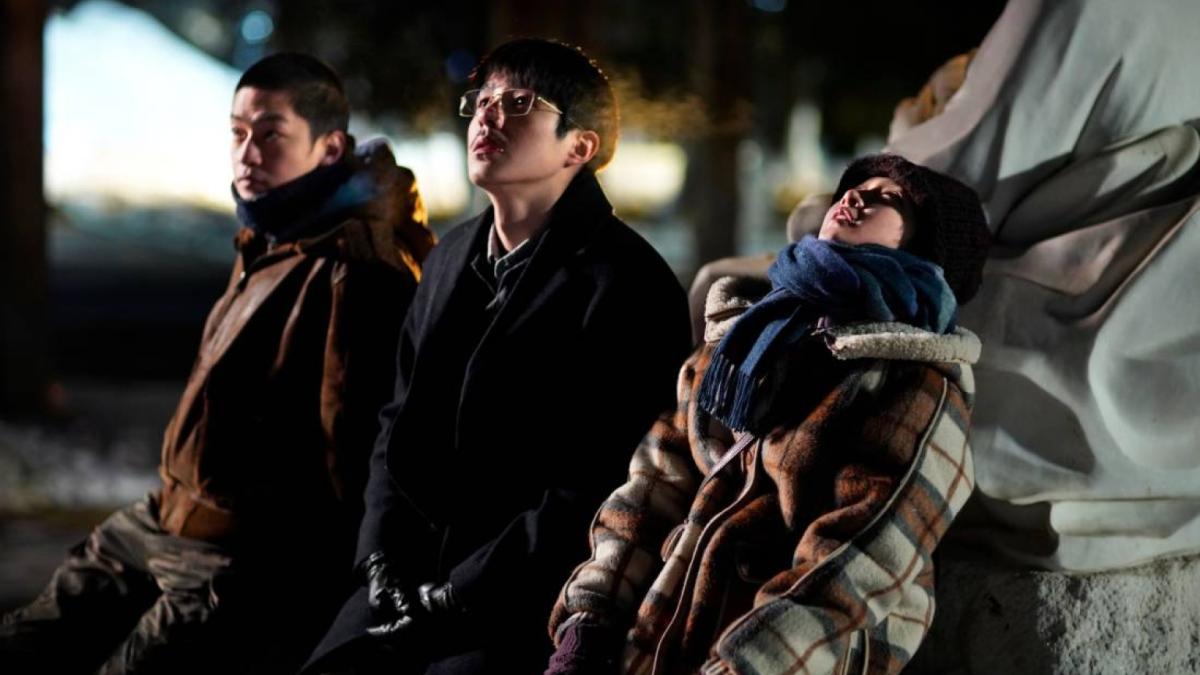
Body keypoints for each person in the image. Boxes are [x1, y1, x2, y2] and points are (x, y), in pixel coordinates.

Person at [0, 53, 434, 674]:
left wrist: (320, 600)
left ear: (330, 148)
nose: (247, 153)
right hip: (158, 521)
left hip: (231, 558)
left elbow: (358, 463)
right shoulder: (277, 231)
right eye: (237, 132)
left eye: (271, 134)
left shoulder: (353, 271)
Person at [307, 38, 693, 674]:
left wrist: (458, 592)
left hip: (523, 596)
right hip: (407, 575)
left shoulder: (627, 284)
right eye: (481, 101)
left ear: (580, 146)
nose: (486, 117)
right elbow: (395, 423)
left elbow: (596, 487)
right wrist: (379, 560)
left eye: (519, 103)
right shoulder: (451, 257)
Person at [546, 154, 991, 675]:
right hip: (657, 634)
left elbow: (856, 568)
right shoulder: (744, 337)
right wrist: (589, 620)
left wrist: (743, 667)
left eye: (887, 198)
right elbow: (653, 485)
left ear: (925, 247)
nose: (855, 197)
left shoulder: (916, 382)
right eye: (854, 187)